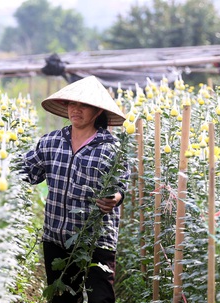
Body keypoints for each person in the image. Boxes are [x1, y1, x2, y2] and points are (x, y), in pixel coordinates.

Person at [21, 76, 129, 303]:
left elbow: (121, 186)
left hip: (96, 240)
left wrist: (115, 198)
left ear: (98, 111)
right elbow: (26, 172)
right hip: (56, 238)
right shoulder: (51, 142)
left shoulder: (111, 148)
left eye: (83, 105)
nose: (76, 110)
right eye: (72, 104)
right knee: (61, 299)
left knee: (100, 299)